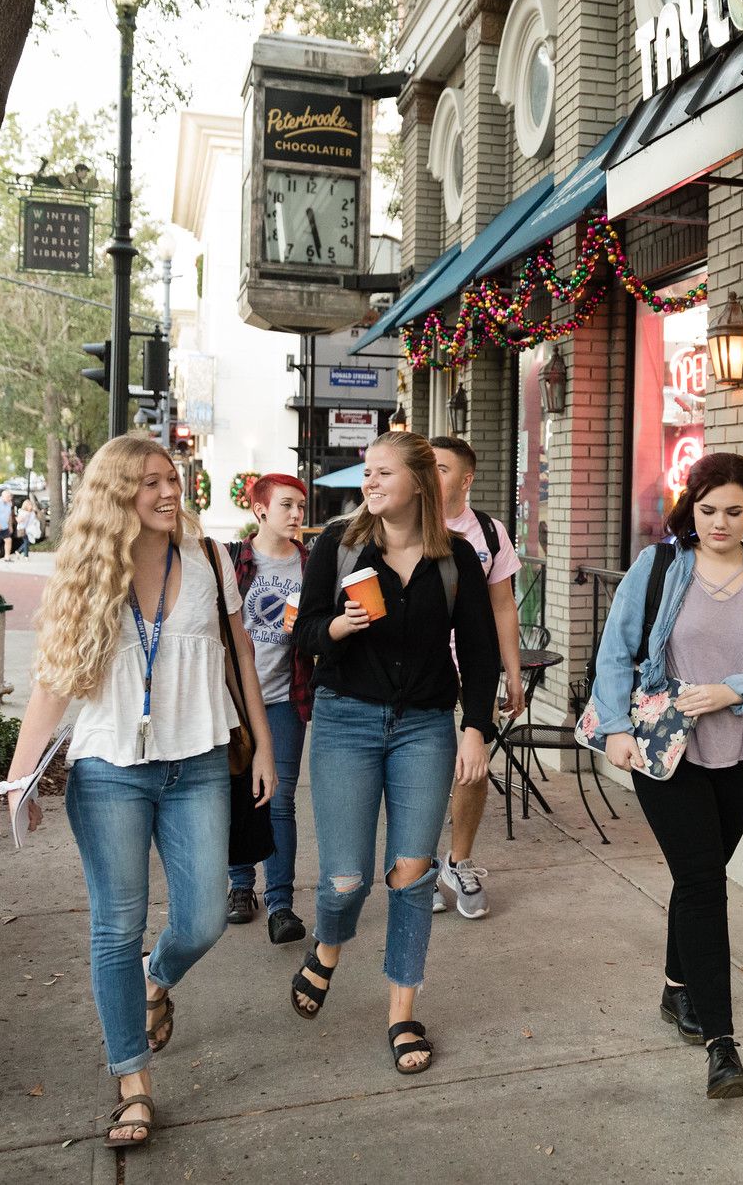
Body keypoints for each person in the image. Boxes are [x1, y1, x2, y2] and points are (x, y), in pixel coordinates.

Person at [0, 434, 275, 1148]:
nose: (166, 490)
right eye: (149, 480)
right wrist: (19, 776)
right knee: (114, 926)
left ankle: (158, 978)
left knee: (205, 918)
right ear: (117, 492)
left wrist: (265, 748)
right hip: (110, 770)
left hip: (201, 763)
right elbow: (51, 681)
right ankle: (133, 1080)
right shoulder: (89, 571)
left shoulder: (211, 560)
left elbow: (241, 655)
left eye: (173, 477)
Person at [583, 451, 743, 1100]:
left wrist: (733, 690)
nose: (720, 522)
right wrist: (615, 730)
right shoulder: (659, 567)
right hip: (664, 747)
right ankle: (722, 1044)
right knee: (707, 883)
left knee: (695, 875)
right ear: (692, 507)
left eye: (734, 510)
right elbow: (615, 649)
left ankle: (677, 984)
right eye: (708, 509)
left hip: (741, 747)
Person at [292, 431, 499, 1074]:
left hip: (425, 727)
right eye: (368, 472)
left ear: (419, 483)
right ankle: (328, 946)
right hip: (345, 723)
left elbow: (483, 649)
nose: (371, 482)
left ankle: (402, 1010)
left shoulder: (456, 557)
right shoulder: (340, 544)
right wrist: (337, 627)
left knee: (412, 875)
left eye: (384, 472)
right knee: (344, 878)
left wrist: (476, 729)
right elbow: (303, 635)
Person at [428, 435, 526, 919]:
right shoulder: (406, 525)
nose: (430, 473)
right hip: (422, 670)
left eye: (441, 467)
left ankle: (458, 861)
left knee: (473, 766)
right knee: (422, 767)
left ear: (465, 479)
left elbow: (503, 605)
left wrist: (512, 673)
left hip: (475, 670)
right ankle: (419, 866)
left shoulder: (488, 532)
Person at [224, 473, 316, 942]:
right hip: (232, 703)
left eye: (301, 506)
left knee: (278, 800)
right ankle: (241, 886)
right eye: (287, 505)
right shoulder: (231, 559)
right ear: (260, 510)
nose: (297, 515)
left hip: (284, 699)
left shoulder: (311, 564)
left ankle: (281, 903)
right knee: (238, 792)